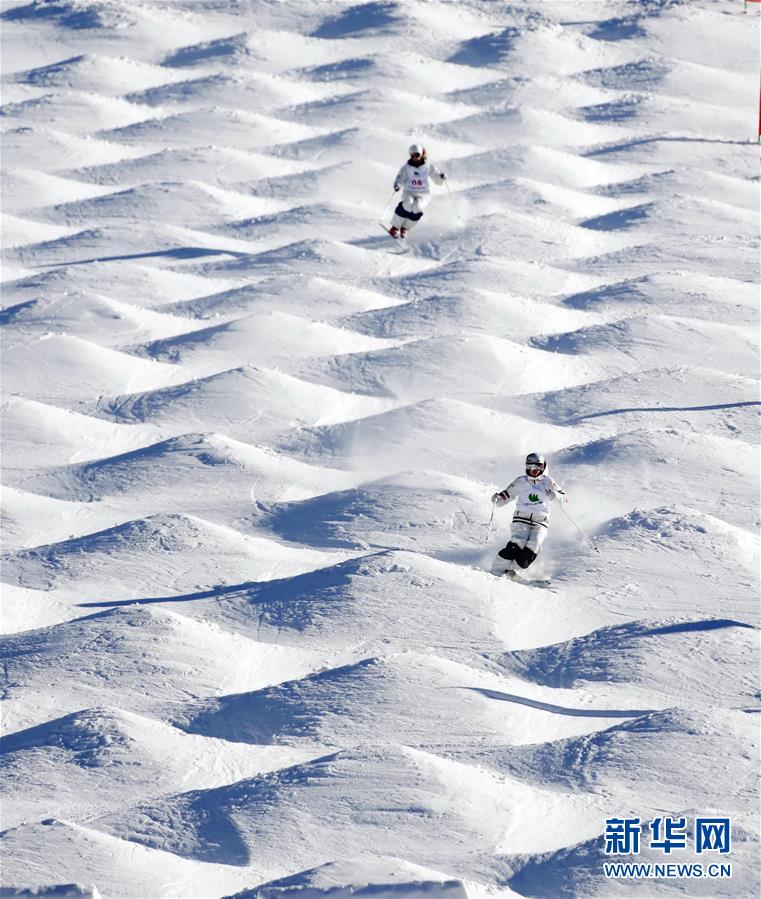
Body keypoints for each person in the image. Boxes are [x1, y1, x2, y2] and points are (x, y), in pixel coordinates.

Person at [489, 452, 567, 577]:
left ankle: (513, 570)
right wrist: (498, 499)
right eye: (530, 467)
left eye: (537, 468)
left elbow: (565, 499)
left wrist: (555, 495)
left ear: (543, 467)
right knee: (518, 542)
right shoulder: (521, 481)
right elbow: (507, 495)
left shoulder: (549, 482)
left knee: (534, 544)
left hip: (541, 521)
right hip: (521, 518)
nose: (533, 471)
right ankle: (496, 570)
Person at [388, 143, 446, 239]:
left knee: (417, 208)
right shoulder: (406, 167)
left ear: (421, 154)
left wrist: (441, 177)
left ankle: (405, 228)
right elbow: (400, 177)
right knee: (407, 204)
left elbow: (437, 180)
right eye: (412, 155)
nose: (415, 157)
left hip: (423, 193)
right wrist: (397, 184)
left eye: (417, 155)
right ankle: (394, 228)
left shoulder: (428, 167)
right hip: (409, 191)